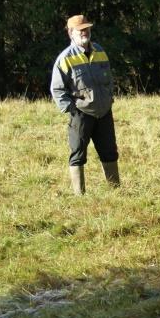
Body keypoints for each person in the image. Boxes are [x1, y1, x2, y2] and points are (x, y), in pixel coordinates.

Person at [50, 14, 120, 195]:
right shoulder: (64, 58)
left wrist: (109, 98)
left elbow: (109, 79)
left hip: (104, 112)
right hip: (81, 114)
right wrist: (71, 109)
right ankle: (80, 196)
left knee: (110, 152)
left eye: (87, 28)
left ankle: (115, 192)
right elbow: (57, 89)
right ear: (70, 33)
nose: (84, 32)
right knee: (78, 154)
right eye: (80, 30)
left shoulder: (100, 51)